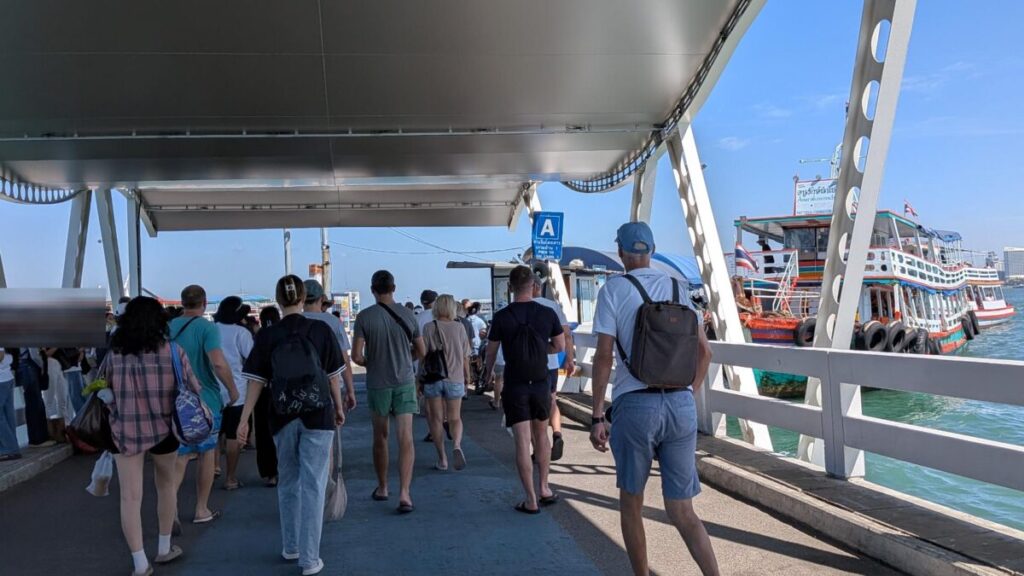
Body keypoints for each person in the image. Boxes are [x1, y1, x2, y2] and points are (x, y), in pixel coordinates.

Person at [589, 222, 719, 576]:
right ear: (652, 250)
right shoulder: (679, 287)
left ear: (620, 252)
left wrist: (598, 414)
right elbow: (704, 354)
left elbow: (603, 356)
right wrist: (688, 392)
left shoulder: (613, 289)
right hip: (680, 406)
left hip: (635, 405)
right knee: (683, 510)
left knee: (632, 502)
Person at [238, 275, 346, 576]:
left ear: (278, 299)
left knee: (288, 481)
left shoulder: (268, 336)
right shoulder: (321, 329)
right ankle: (310, 559)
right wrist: (338, 407)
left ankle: (291, 546)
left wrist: (245, 418)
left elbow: (256, 382)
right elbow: (333, 377)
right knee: (314, 484)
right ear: (303, 298)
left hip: (281, 415)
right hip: (318, 414)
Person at [99, 296, 204, 576]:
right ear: (160, 320)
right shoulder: (172, 350)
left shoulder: (115, 354)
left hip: (125, 430)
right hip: (165, 429)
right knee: (166, 486)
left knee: (130, 498)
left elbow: (101, 389)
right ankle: (164, 547)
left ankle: (139, 563)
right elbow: (195, 387)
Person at [483, 265, 564, 514]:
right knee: (542, 436)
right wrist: (541, 350)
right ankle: (544, 488)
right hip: (540, 382)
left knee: (521, 442)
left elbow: (492, 350)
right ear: (534, 286)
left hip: (515, 383)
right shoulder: (547, 313)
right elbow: (559, 345)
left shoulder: (502, 316)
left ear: (510, 287)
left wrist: (486, 373)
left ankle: (530, 500)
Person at [351, 270, 425, 514]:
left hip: (378, 383)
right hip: (404, 381)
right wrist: (406, 357)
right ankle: (405, 493)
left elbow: (356, 356)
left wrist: (371, 363)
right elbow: (422, 351)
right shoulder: (408, 314)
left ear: (373, 290)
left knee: (380, 437)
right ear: (394, 288)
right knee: (406, 437)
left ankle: (383, 487)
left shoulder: (364, 317)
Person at [169, 285, 239, 525]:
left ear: (182, 302)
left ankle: (171, 511)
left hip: (174, 402)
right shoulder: (207, 328)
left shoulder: (168, 328)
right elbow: (218, 363)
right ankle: (201, 509)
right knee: (206, 453)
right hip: (205, 400)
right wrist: (232, 389)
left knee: (179, 458)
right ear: (204, 302)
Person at [420, 294, 472, 471]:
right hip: (455, 378)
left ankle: (442, 459)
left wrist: (419, 378)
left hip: (434, 378)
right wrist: (467, 376)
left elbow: (423, 355)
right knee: (455, 417)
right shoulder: (459, 327)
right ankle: (456, 445)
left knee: (435, 419)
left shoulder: (428, 327)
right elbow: (465, 356)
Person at [531, 274, 576, 462]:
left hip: (531, 364)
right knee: (551, 400)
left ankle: (538, 450)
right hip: (551, 363)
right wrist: (569, 359)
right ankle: (557, 433)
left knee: (533, 408)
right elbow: (566, 335)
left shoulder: (521, 306)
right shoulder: (553, 306)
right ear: (539, 286)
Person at [212, 296, 254, 491]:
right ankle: (230, 478)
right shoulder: (241, 333)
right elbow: (252, 360)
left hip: (211, 391)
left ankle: (213, 467)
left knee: (213, 435)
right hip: (237, 392)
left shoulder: (210, 330)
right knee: (232, 436)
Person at [302, 280, 356, 413]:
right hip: (329, 389)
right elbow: (344, 361)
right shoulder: (333, 322)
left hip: (298, 390)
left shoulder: (291, 321)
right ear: (321, 299)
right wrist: (350, 391)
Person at [255, 306, 282, 485]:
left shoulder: (258, 337)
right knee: (283, 432)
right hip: (283, 390)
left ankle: (270, 473)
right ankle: (285, 469)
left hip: (262, 390)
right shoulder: (284, 334)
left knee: (264, 433)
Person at [41, 347, 73, 442]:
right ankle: (50, 432)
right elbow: (43, 355)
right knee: (48, 400)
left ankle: (65, 429)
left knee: (62, 399)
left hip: (58, 366)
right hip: (49, 365)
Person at [0, 348, 21, 461]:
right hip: (7, 376)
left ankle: (9, 448)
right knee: (8, 415)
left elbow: (1, 355)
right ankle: (13, 448)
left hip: (1, 379)